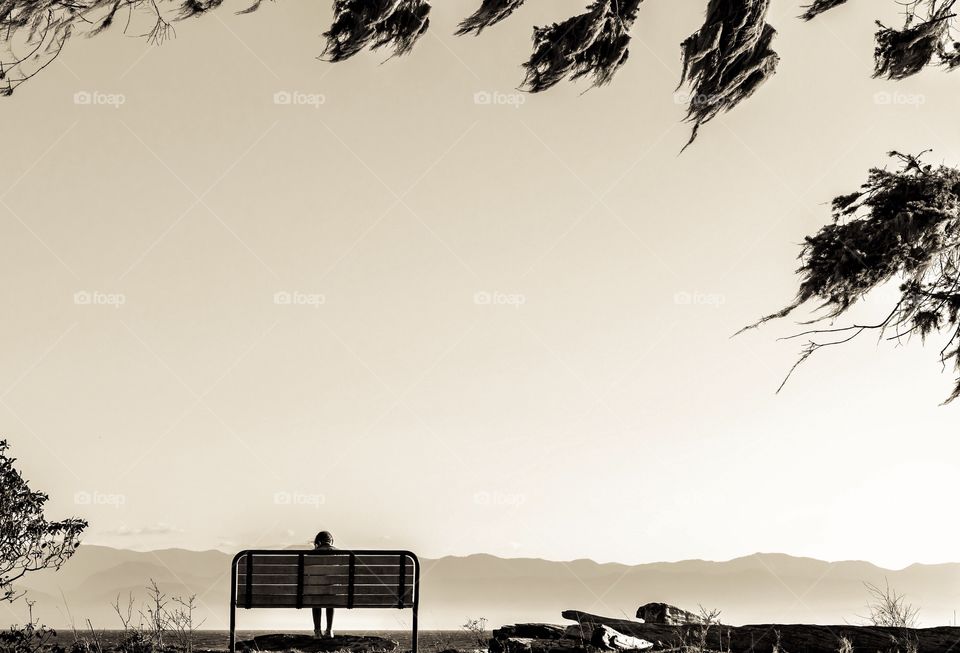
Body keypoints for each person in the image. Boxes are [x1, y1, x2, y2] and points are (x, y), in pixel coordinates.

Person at [312, 530, 336, 639]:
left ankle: (317, 632)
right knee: (330, 596)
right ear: (331, 541)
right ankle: (329, 630)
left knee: (316, 598)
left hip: (315, 590)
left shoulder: (311, 554)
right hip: (332, 591)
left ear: (319, 542)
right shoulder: (341, 553)